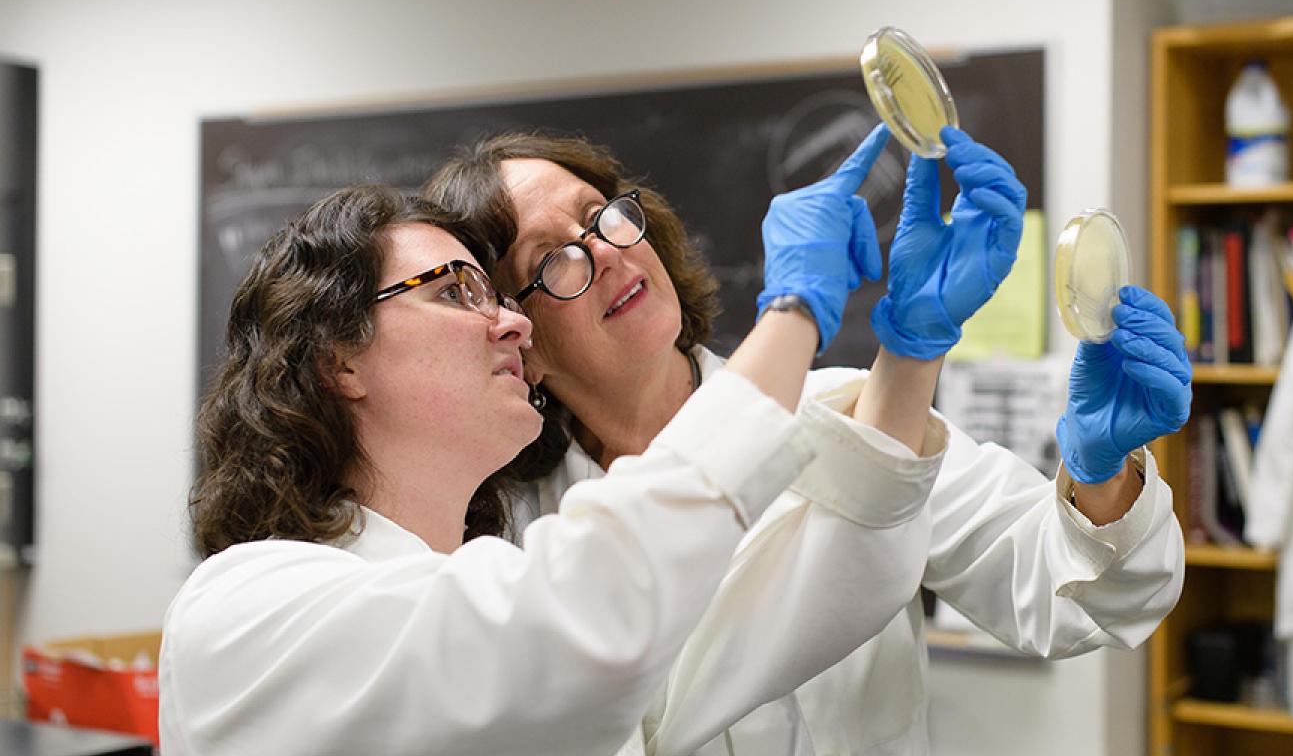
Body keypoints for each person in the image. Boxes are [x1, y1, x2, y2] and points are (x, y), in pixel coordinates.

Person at [423, 123, 1193, 755]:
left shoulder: (844, 408)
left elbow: (1075, 603)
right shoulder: (505, 534)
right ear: (516, 334)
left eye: (602, 215)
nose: (607, 251)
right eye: (553, 259)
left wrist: (1099, 477)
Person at [158, 174, 947, 755]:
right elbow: (588, 618)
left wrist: (910, 357)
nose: (513, 324)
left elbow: (774, 613)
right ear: (338, 359)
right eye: (457, 291)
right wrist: (797, 312)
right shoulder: (246, 607)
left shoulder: (490, 576)